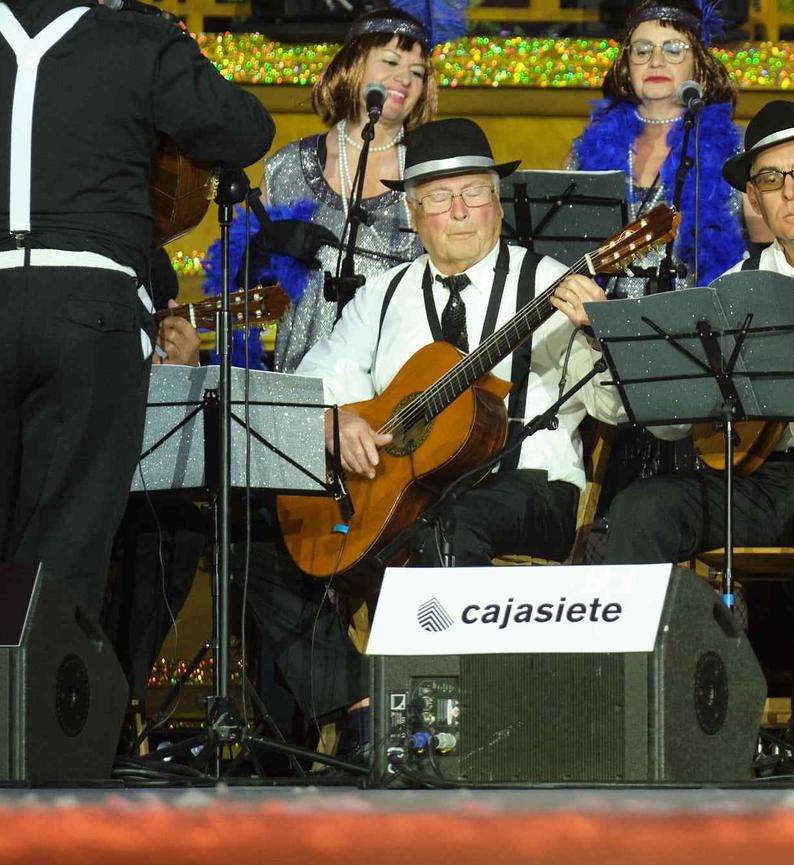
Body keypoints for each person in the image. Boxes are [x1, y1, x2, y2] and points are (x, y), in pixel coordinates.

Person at [0, 0, 274, 613]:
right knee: (63, 552)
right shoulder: (139, 42)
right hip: (93, 314)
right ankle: (42, 721)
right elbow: (244, 130)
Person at [243, 119, 608, 734]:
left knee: (449, 524)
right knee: (253, 531)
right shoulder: (382, 296)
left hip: (532, 490)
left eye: (475, 192)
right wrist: (335, 422)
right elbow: (310, 388)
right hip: (402, 496)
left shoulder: (552, 284)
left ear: (498, 204)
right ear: (413, 214)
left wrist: (605, 335)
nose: (459, 210)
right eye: (439, 197)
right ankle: (360, 708)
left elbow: (614, 410)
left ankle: (448, 727)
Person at [593, 101, 794, 780]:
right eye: (772, 180)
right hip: (757, 477)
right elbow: (669, 420)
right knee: (641, 509)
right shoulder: (732, 288)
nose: (791, 190)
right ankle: (650, 717)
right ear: (755, 200)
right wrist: (620, 349)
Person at [209, 0, 467, 370]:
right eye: (390, 62)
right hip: (301, 380)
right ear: (352, 68)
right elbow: (239, 289)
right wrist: (263, 247)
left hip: (399, 381)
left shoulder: (430, 171)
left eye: (417, 72)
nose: (403, 79)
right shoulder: (288, 166)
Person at [557, 0, 745, 297]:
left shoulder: (736, 153)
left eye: (673, 49)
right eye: (642, 50)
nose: (656, 59)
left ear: (700, 65)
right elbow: (561, 255)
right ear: (626, 66)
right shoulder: (583, 153)